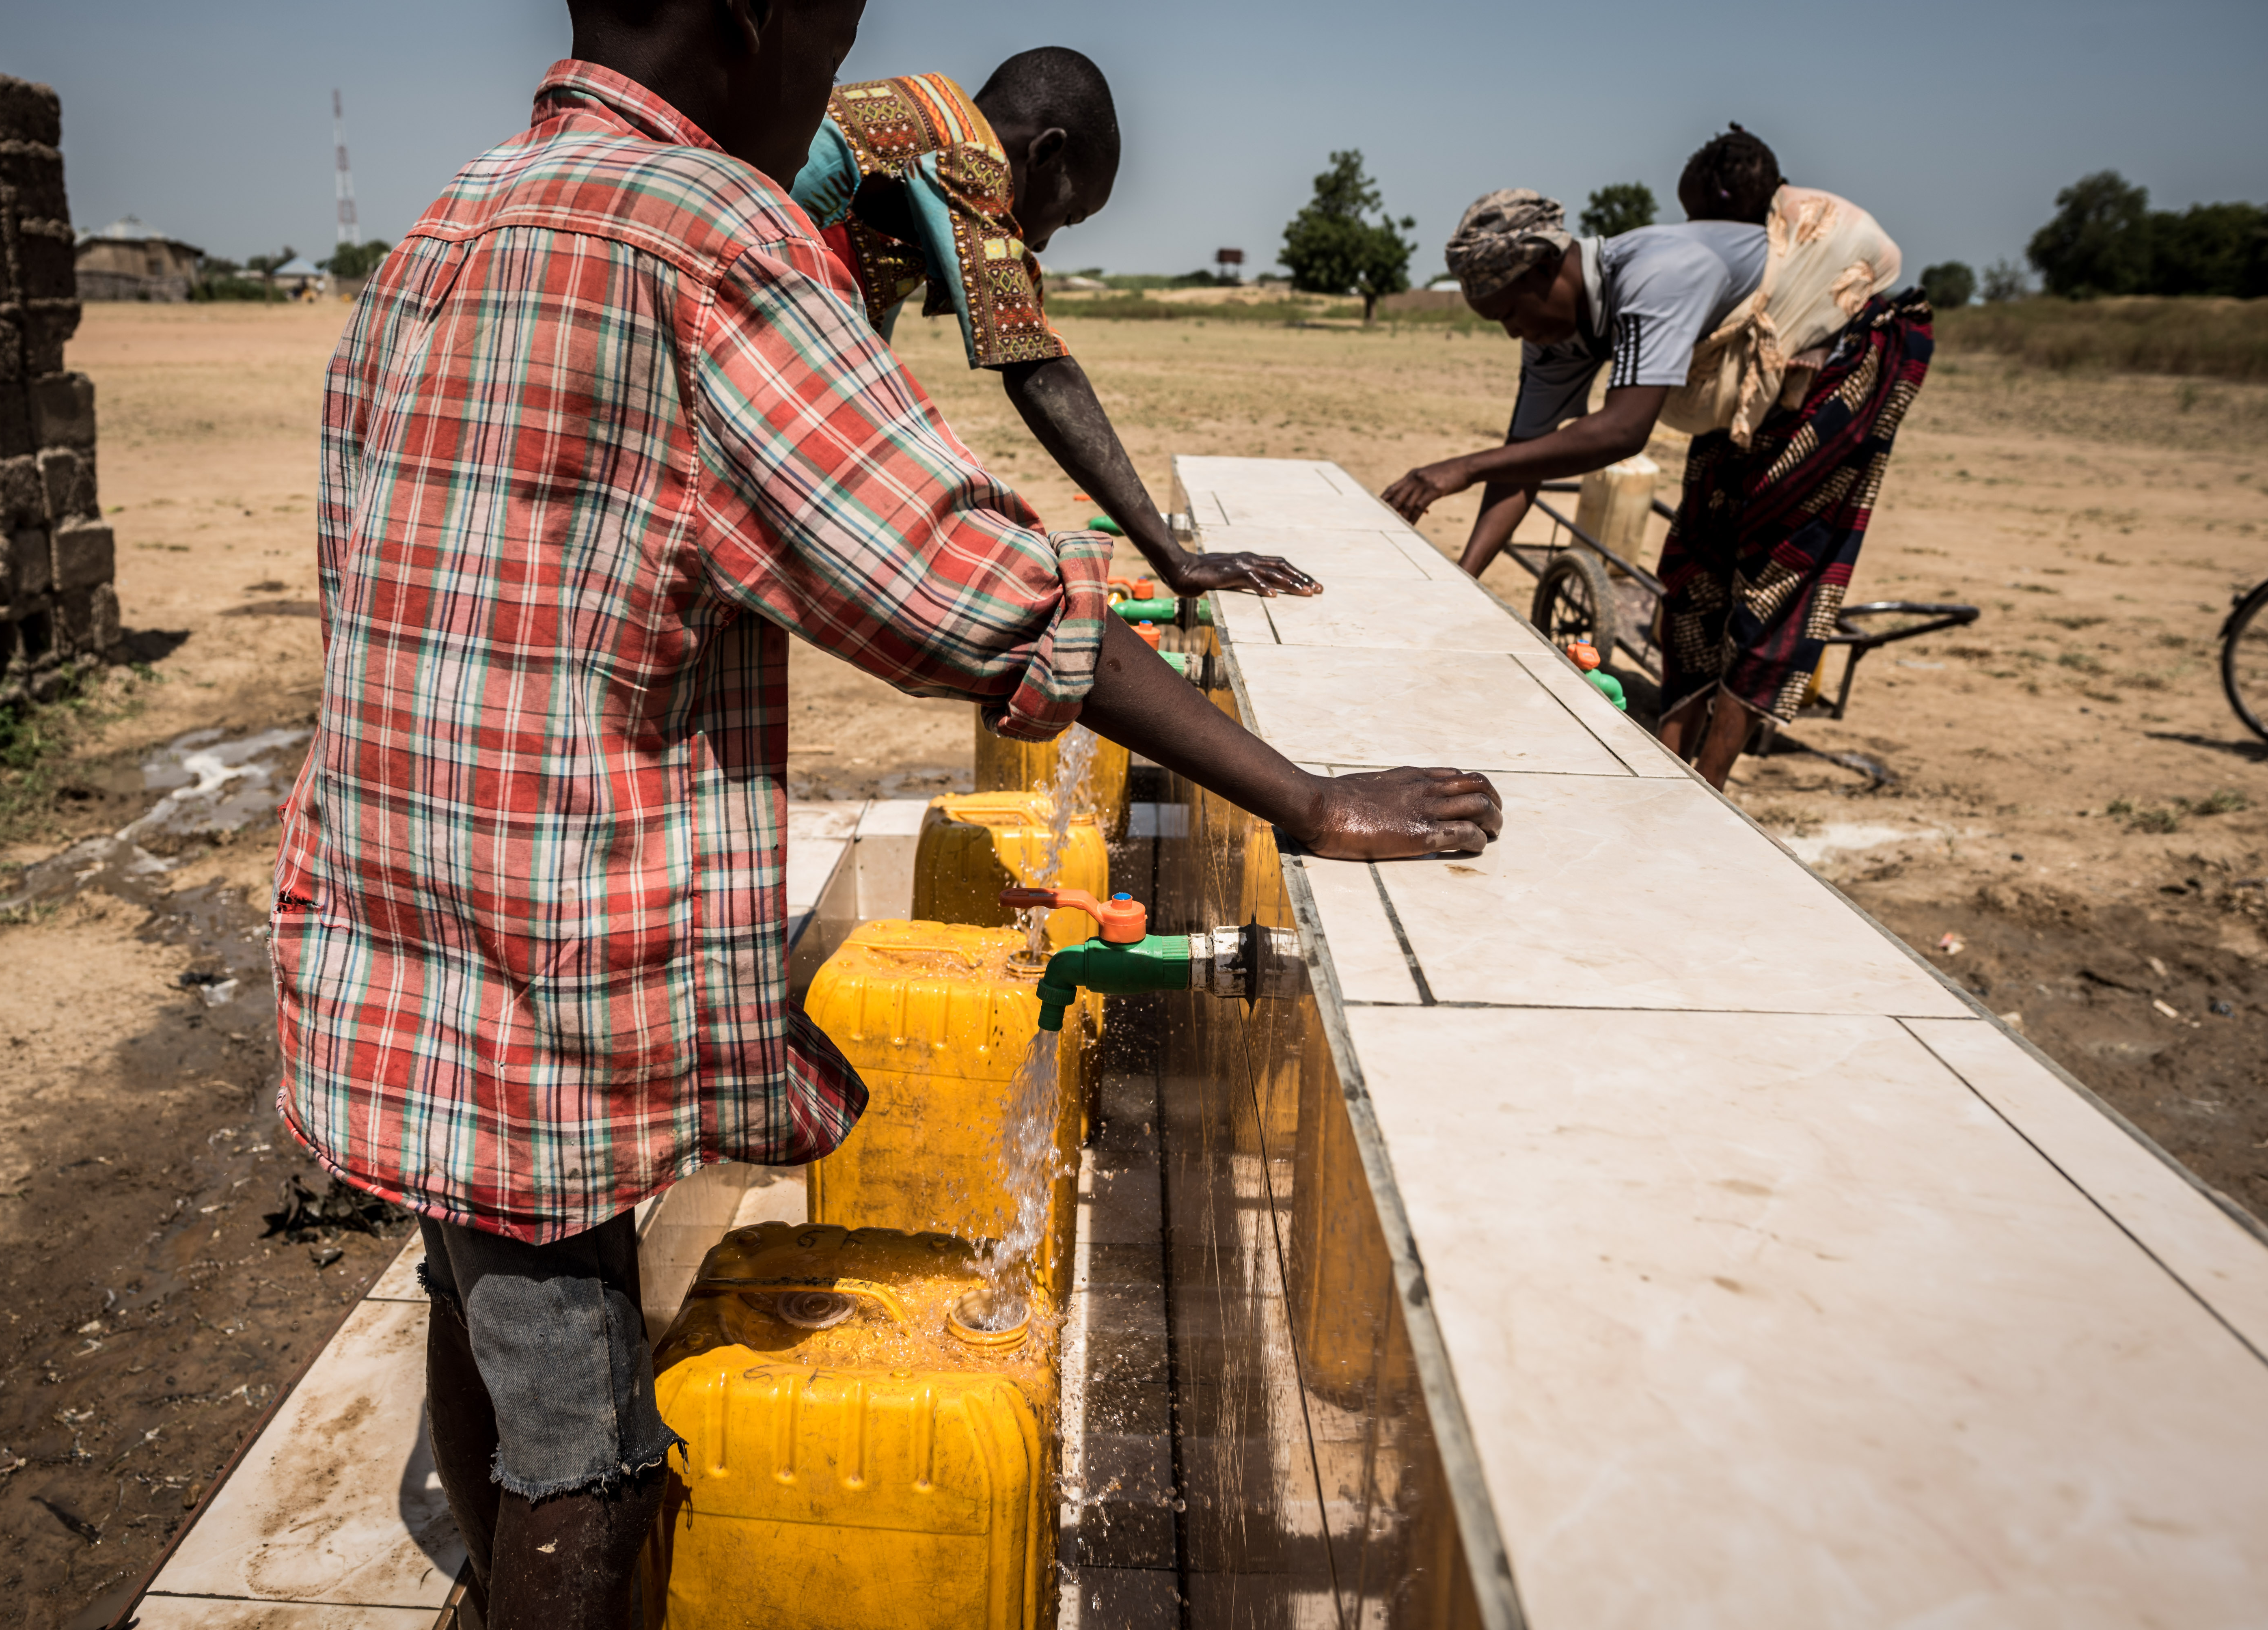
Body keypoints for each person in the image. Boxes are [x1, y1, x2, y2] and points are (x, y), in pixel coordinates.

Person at [272, 3, 1504, 1626]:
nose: (830, 80)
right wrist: (1304, 796)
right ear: (753, 18)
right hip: (540, 966)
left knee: (479, 1296)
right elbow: (972, 592)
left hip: (391, 923)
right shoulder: (717, 239)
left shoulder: (456, 213)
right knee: (592, 1458)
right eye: (833, 25)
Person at [1383, 166, 1927, 790]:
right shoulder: (1555, 335)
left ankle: (1708, 788)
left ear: (1546, 267)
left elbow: (1623, 430)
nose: (1511, 331)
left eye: (1509, 312)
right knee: (1694, 565)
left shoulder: (1655, 275)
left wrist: (1462, 467)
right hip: (1746, 385)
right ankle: (1668, 766)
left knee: (1773, 574)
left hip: (1840, 360)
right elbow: (1525, 461)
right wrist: (1462, 580)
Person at [790, 50, 1319, 600]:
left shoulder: (905, 149)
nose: (1042, 243)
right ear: (1045, 152)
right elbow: (1036, 369)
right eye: (1070, 216)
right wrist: (1176, 559)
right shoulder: (966, 154)